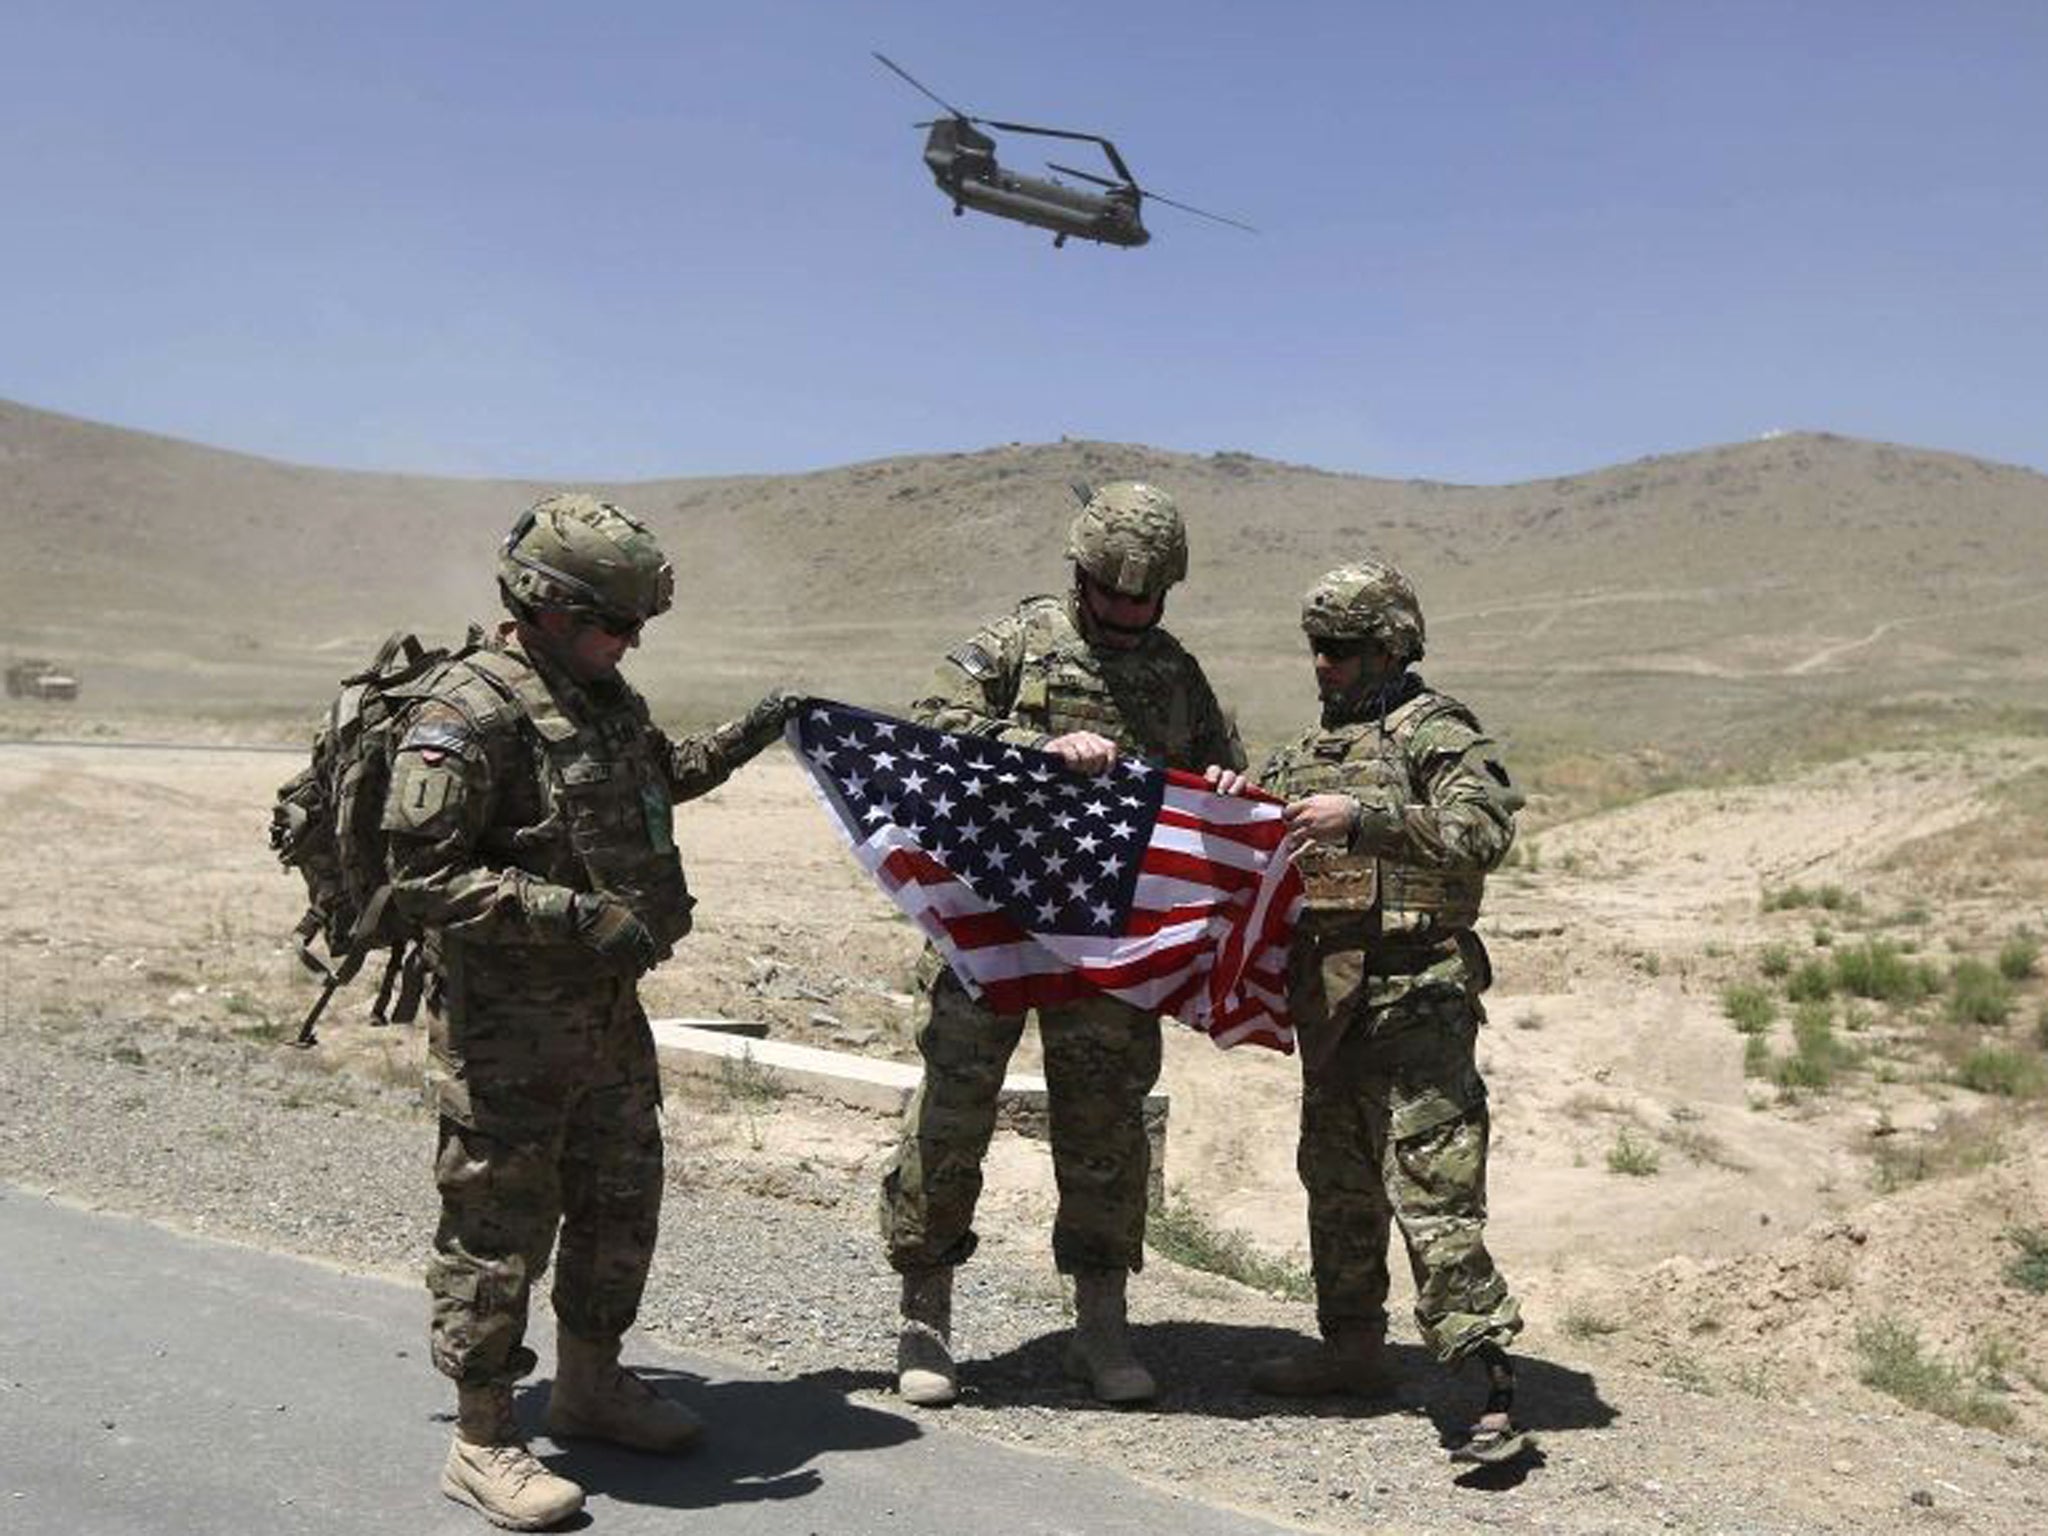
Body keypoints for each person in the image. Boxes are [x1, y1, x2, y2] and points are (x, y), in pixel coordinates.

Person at [383, 493, 796, 1528]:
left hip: (607, 1019)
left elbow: (653, 780)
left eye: (636, 626)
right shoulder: (462, 715)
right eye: (615, 623)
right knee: (498, 1230)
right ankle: (482, 1439)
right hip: (506, 1031)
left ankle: (589, 1383)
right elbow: (421, 878)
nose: (630, 640)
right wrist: (568, 913)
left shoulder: (605, 695)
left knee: (621, 1202)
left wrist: (754, 732)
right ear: (548, 606)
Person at [879, 481, 1246, 1408]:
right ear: (1080, 576)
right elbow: (931, 735)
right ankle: (926, 1316)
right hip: (994, 930)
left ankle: (1100, 1324)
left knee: (1106, 1129)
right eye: (1114, 595)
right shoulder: (1013, 645)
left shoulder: (1174, 673)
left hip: (1105, 944)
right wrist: (1031, 748)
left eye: (1146, 599)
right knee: (951, 1115)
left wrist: (1227, 782)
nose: (1129, 614)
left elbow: (1212, 770)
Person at [1215, 559, 1530, 1466]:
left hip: (1418, 997)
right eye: (1317, 650)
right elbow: (1268, 824)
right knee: (1338, 1182)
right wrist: (1242, 802)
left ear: (1393, 647)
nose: (1325, 667)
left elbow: (1484, 829)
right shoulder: (1311, 749)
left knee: (1434, 1193)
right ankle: (1351, 1350)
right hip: (1335, 998)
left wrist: (1367, 816)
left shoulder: (1436, 731)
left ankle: (1487, 1384)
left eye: (1344, 651)